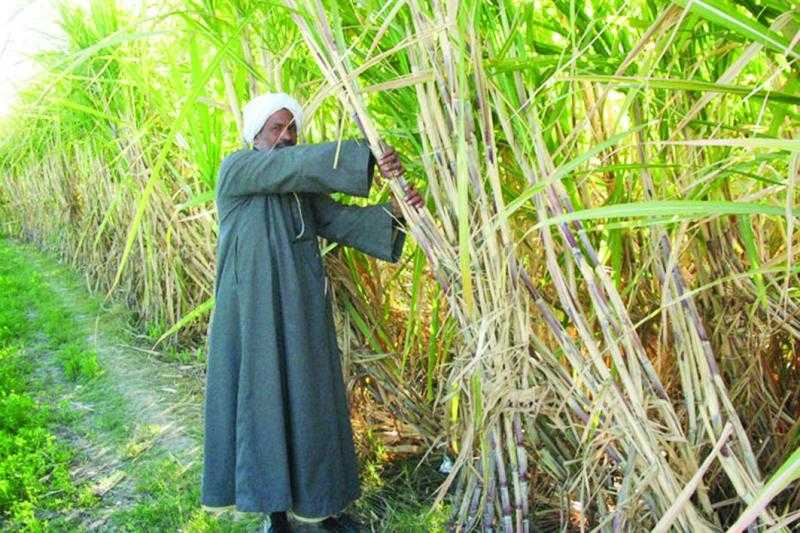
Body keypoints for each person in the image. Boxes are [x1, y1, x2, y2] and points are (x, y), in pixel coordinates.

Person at [200, 92, 424, 533]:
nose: (286, 136)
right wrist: (367, 159)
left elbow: (345, 221)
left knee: (312, 403)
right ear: (255, 136)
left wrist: (397, 210)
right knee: (262, 402)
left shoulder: (303, 190)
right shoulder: (237, 170)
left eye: (292, 127)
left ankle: (324, 509)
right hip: (252, 319)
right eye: (276, 128)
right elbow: (292, 165)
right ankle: (274, 514)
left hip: (302, 316)